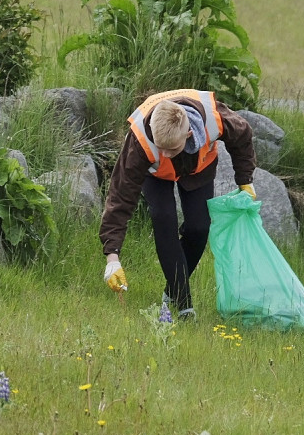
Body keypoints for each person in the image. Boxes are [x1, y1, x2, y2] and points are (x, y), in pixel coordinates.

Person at [101, 89, 257, 319]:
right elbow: (120, 196)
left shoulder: (214, 120)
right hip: (155, 176)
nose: (164, 153)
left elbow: (242, 136)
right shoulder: (139, 142)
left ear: (189, 134)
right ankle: (184, 306)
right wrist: (112, 256)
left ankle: (171, 291)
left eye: (171, 149)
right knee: (164, 220)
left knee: (199, 227)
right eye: (159, 146)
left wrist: (245, 181)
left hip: (198, 167)